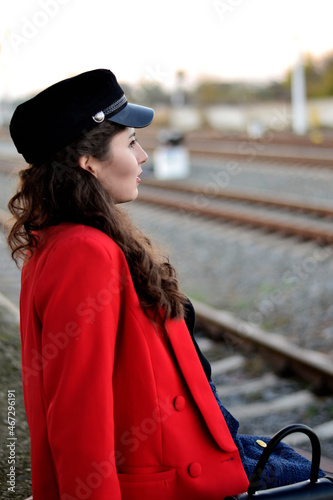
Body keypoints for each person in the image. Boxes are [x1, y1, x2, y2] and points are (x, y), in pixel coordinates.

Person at [7, 69, 321, 500]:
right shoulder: (84, 252)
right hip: (172, 482)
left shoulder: (67, 241)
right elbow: (78, 416)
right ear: (89, 163)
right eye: (132, 142)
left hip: (200, 457)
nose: (144, 157)